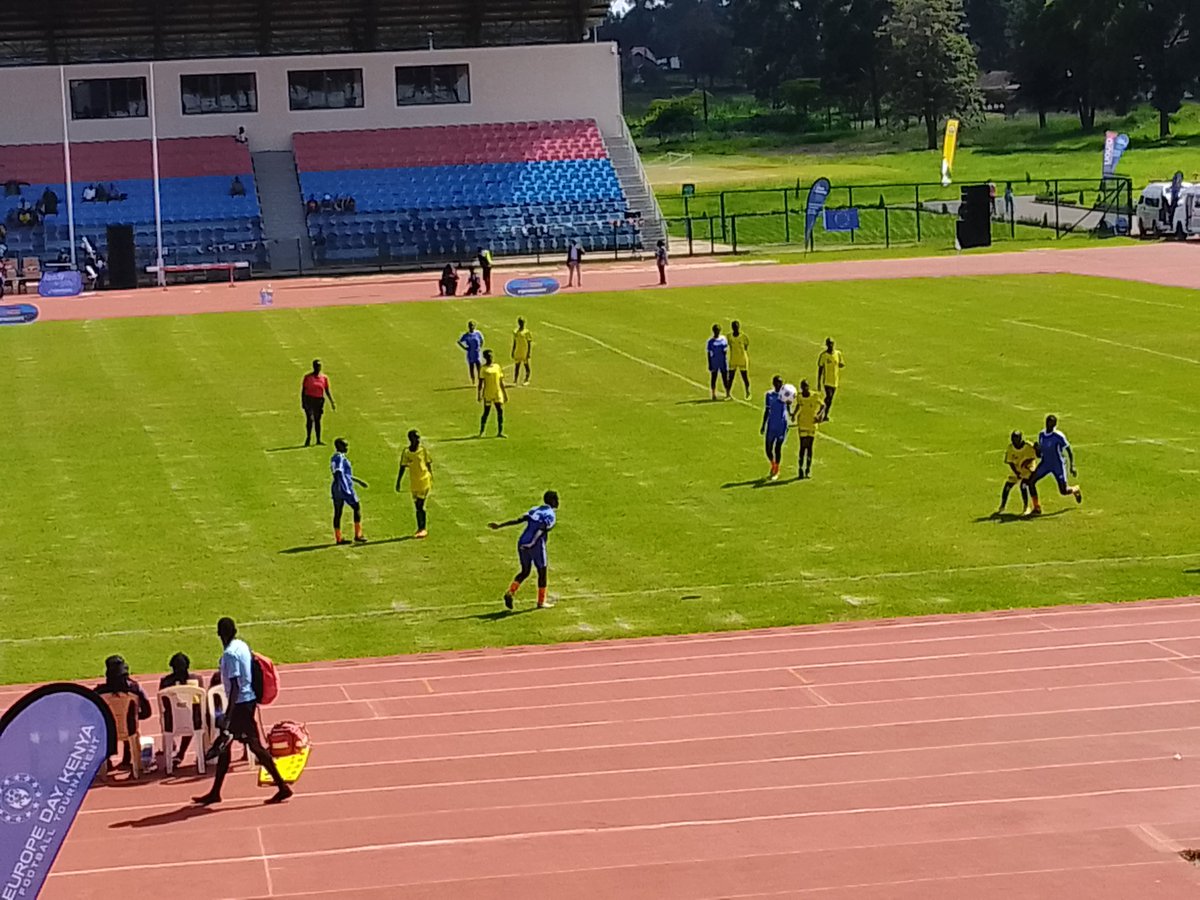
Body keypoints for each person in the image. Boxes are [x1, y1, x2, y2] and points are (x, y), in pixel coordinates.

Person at [193, 617, 292, 806]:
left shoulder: (230, 654)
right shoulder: (242, 645)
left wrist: (228, 717)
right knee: (229, 744)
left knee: (251, 746)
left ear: (219, 634)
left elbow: (236, 686)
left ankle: (282, 787)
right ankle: (216, 792)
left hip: (240, 705)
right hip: (247, 701)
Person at [490, 490, 560, 611]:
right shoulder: (550, 514)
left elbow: (519, 519)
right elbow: (542, 528)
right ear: (553, 501)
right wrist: (532, 543)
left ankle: (510, 592)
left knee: (525, 571)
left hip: (522, 541)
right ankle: (541, 601)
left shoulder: (535, 509)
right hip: (535, 545)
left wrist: (500, 525)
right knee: (542, 572)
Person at [94, 655, 152, 769]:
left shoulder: (99, 692)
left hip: (107, 731)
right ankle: (128, 757)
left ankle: (107, 760)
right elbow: (147, 713)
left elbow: (88, 711)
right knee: (129, 721)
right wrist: (132, 716)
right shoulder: (135, 689)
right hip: (128, 730)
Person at [1029, 415, 1082, 514]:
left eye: (1051, 423)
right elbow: (1040, 454)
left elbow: (1068, 449)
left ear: (1054, 425)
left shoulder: (1058, 436)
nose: (1048, 425)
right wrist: (1037, 449)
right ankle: (1037, 507)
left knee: (1063, 491)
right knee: (1031, 482)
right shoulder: (1041, 435)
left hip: (1057, 465)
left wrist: (1072, 465)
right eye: (1047, 422)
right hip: (1045, 464)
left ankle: (1075, 489)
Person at [159, 652, 202, 768]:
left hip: (171, 723)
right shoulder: (197, 680)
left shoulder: (165, 682)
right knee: (195, 717)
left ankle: (171, 745)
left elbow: (164, 704)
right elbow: (200, 703)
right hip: (194, 722)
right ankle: (182, 752)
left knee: (164, 717)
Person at [395, 429, 432, 538]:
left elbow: (428, 463)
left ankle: (423, 528)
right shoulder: (407, 452)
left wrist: (430, 477)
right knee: (417, 506)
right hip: (414, 483)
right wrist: (398, 482)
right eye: (416, 438)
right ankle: (420, 528)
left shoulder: (423, 450)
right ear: (411, 439)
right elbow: (402, 467)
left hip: (424, 481)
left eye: (419, 437)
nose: (418, 440)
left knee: (420, 505)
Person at [330, 438, 368, 544]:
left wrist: (358, 481)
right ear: (339, 447)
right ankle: (358, 534)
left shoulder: (334, 457)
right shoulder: (340, 458)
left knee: (338, 512)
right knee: (356, 507)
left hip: (336, 488)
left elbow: (345, 474)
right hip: (343, 488)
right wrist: (343, 487)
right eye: (345, 446)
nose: (347, 448)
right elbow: (338, 472)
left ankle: (338, 538)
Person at [997, 430, 1038, 516]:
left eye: (1016, 439)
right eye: (1013, 439)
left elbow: (1034, 457)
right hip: (1017, 469)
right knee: (1007, 486)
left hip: (1028, 470)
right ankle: (1002, 506)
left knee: (1023, 486)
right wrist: (1017, 472)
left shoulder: (1028, 446)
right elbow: (1010, 462)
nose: (1014, 441)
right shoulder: (1011, 448)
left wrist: (1027, 464)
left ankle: (1026, 507)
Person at [792, 380, 825, 479]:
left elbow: (823, 406)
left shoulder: (814, 396)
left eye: (806, 387)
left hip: (812, 424)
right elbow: (799, 405)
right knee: (802, 447)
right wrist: (794, 414)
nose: (805, 389)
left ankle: (808, 469)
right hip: (802, 424)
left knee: (809, 447)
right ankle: (800, 469)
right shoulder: (800, 397)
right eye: (803, 387)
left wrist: (819, 415)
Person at [760, 375, 790, 482]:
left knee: (778, 448)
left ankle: (776, 470)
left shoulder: (786, 394)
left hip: (782, 425)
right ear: (773, 384)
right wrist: (763, 425)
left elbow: (788, 408)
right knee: (768, 449)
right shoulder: (769, 395)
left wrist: (790, 419)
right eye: (777, 383)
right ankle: (773, 464)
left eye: (781, 383)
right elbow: (767, 410)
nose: (779, 385)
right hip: (771, 425)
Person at [301, 359, 335, 447]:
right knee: (310, 419)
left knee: (317, 420)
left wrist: (331, 401)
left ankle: (318, 439)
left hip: (319, 400)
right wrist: (303, 402)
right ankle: (308, 438)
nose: (318, 368)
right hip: (309, 400)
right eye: (316, 366)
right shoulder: (307, 377)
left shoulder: (324, 378)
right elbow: (303, 390)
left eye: (319, 366)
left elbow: (327, 390)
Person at [478, 349, 509, 438]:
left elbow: (500, 381)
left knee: (500, 411)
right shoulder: (483, 369)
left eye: (491, 357)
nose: (491, 358)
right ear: (485, 358)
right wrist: (479, 394)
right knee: (486, 412)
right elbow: (480, 383)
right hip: (488, 393)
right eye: (489, 357)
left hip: (497, 392)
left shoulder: (497, 367)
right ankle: (482, 431)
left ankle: (500, 432)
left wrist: (504, 393)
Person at [816, 338, 845, 421]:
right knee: (828, 397)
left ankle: (825, 414)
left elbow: (841, 363)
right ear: (827, 345)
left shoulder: (838, 354)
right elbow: (820, 369)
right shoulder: (824, 356)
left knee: (830, 399)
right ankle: (821, 412)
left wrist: (841, 364)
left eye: (832, 344)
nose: (831, 345)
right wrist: (818, 381)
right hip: (827, 381)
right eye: (829, 344)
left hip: (835, 380)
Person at [706, 324, 731, 401]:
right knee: (714, 378)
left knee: (725, 378)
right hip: (715, 362)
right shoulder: (710, 342)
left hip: (723, 361)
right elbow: (708, 353)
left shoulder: (723, 339)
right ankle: (713, 394)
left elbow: (726, 349)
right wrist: (709, 363)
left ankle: (728, 393)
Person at [728, 320, 751, 399]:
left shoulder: (744, 337)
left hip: (742, 359)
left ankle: (747, 392)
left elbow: (746, 346)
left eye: (736, 327)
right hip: (733, 359)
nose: (735, 329)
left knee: (745, 377)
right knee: (730, 377)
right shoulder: (729, 337)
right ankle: (728, 393)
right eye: (734, 327)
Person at [511, 317, 532, 384]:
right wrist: (513, 350)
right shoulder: (515, 332)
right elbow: (514, 342)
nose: (521, 324)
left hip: (524, 351)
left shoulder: (526, 332)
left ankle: (527, 379)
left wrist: (528, 352)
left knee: (526, 365)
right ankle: (515, 380)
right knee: (517, 366)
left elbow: (529, 343)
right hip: (518, 350)